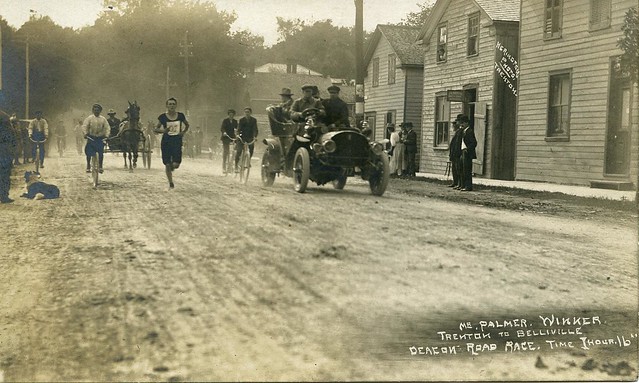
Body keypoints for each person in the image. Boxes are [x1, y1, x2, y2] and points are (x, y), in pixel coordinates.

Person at [154, 97, 189, 190]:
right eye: (170, 104)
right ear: (167, 106)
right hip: (166, 141)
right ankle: (171, 183)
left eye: (173, 104)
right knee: (167, 164)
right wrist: (163, 130)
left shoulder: (180, 116)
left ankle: (172, 167)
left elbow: (187, 125)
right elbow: (155, 129)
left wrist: (183, 132)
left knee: (176, 164)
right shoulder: (162, 117)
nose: (171, 106)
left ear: (176, 105)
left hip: (177, 141)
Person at [82, 104, 110, 173]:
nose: (96, 112)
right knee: (88, 151)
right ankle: (88, 166)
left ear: (100, 111)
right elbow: (84, 126)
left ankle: (100, 166)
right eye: (95, 110)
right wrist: (85, 133)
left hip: (100, 138)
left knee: (101, 152)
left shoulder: (103, 119)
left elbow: (107, 128)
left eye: (98, 110)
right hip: (91, 137)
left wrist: (107, 135)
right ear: (93, 111)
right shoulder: (89, 118)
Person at [0, 112, 17, 203]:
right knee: (4, 175)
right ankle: (4, 196)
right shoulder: (5, 118)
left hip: (4, 151)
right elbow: (13, 138)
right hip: (5, 152)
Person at [458, 114, 477, 191]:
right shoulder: (463, 132)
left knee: (467, 170)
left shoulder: (470, 131)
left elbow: (474, 143)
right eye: (460, 123)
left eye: (462, 123)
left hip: (467, 153)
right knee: (462, 169)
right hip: (462, 152)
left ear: (466, 123)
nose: (461, 124)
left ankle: (468, 186)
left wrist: (467, 149)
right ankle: (463, 185)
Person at [449, 114, 464, 189]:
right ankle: (455, 182)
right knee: (454, 169)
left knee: (458, 169)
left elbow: (458, 144)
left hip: (457, 153)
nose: (453, 127)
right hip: (454, 153)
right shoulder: (457, 132)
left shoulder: (460, 132)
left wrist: (457, 153)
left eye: (454, 125)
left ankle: (458, 183)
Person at [220, 109, 237, 174]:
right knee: (226, 151)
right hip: (226, 137)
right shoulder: (225, 121)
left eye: (232, 115)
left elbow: (237, 129)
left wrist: (238, 134)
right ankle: (224, 166)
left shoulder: (235, 122)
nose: (231, 116)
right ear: (228, 115)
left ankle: (233, 165)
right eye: (230, 114)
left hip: (233, 137)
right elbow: (222, 128)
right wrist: (224, 132)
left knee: (235, 150)